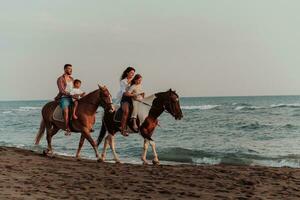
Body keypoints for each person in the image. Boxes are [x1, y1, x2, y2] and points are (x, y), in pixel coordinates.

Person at [116, 67, 136, 136]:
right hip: (125, 99)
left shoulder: (134, 80)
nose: (132, 74)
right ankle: (123, 129)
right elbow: (124, 92)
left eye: (133, 73)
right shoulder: (123, 81)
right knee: (126, 111)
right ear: (127, 73)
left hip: (134, 98)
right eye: (131, 73)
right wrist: (133, 94)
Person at [55, 64, 74, 135]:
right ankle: (67, 128)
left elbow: (74, 89)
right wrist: (70, 94)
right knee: (66, 111)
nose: (71, 70)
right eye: (69, 69)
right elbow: (62, 90)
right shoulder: (60, 79)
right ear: (65, 69)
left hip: (73, 97)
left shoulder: (72, 79)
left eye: (71, 69)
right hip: (64, 98)